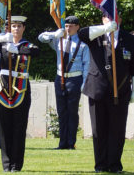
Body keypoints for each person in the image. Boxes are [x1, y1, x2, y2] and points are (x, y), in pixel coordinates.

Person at [0, 16, 39, 172]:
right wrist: (0, 38)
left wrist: (17, 49)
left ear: (24, 28)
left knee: (19, 126)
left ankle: (16, 165)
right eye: (13, 26)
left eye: (19, 26)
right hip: (3, 88)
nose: (16, 29)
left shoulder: (27, 45)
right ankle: (6, 164)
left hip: (21, 88)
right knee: (4, 127)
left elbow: (35, 51)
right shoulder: (2, 44)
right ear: (9, 29)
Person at [78, 15, 134, 173]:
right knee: (99, 130)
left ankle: (115, 165)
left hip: (120, 91)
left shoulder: (129, 39)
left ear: (120, 19)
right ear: (102, 20)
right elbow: (81, 33)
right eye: (107, 17)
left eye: (115, 16)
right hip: (98, 90)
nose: (111, 19)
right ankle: (101, 165)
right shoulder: (95, 36)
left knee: (117, 130)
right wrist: (105, 29)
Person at [38, 15, 89, 150]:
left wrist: (84, 82)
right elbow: (41, 38)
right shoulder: (59, 40)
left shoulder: (83, 44)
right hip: (60, 78)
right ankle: (62, 143)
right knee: (62, 112)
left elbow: (86, 65)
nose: (68, 28)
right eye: (66, 26)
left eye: (71, 26)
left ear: (77, 27)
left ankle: (71, 143)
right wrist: (54, 34)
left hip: (75, 79)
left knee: (72, 112)